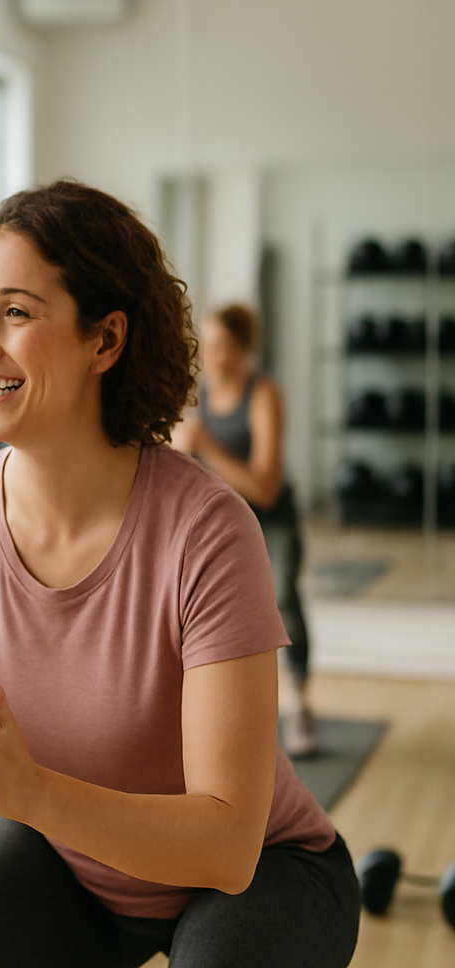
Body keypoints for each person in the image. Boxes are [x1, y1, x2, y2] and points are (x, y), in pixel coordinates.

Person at [0, 181, 358, 968]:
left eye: (16, 312)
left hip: (263, 873)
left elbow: (228, 844)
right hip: (78, 864)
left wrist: (31, 795)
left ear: (105, 340)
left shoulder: (207, 530)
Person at [171, 304, 317, 757]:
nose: (215, 356)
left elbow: (266, 486)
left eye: (226, 347)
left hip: (270, 521)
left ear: (244, 349)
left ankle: (302, 707)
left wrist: (207, 447)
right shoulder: (196, 397)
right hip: (220, 527)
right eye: (210, 345)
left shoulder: (262, 393)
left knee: (284, 604)